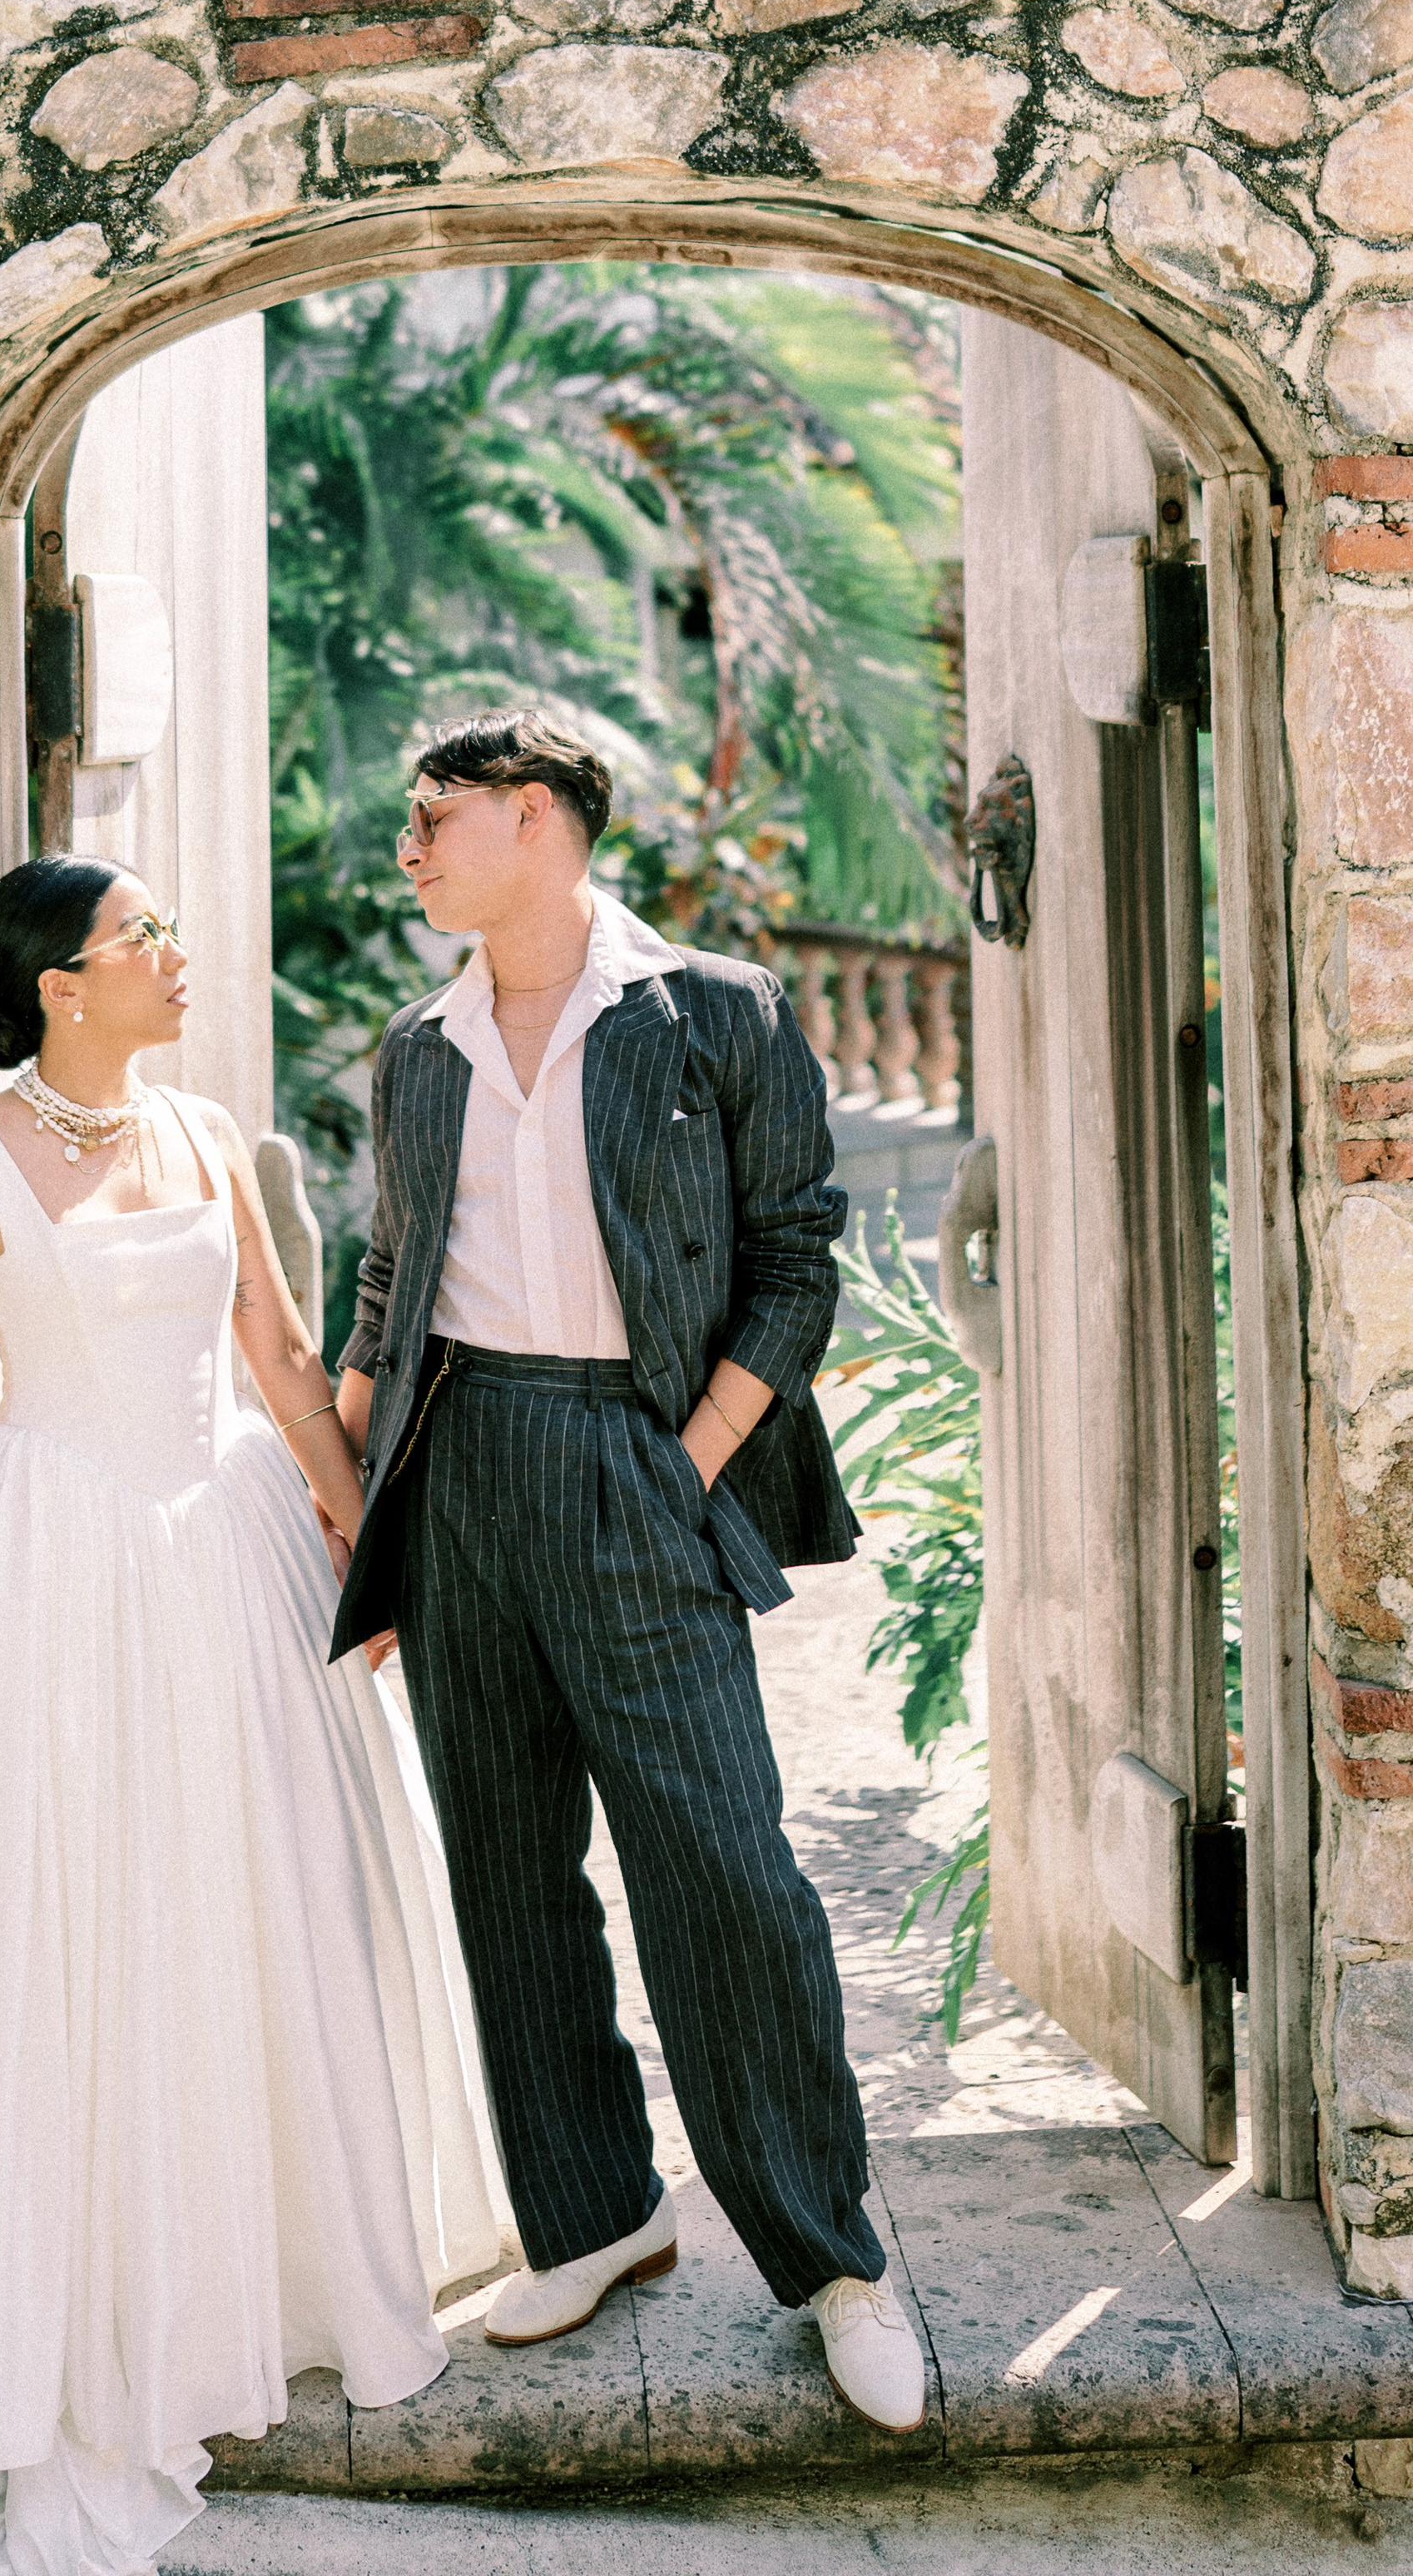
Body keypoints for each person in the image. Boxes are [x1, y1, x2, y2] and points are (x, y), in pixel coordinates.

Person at [0, 857, 507, 2576]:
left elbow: (271, 1352)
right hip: (65, 1575)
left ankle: (277, 2267)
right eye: (142, 942)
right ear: (56, 983)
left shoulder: (198, 1134)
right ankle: (109, 2309)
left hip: (229, 1547)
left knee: (261, 1897)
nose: (175, 959)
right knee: (99, 1922)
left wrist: (358, 1543)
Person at [330, 707, 928, 2437]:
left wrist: (685, 1464)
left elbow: (796, 1256)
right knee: (507, 1872)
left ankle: (830, 2262)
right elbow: (392, 1273)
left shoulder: (713, 1014)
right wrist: (349, 1496)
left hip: (636, 1459)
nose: (410, 850)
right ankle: (593, 2217)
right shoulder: (418, 1045)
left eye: (431, 818)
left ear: (532, 820)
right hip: (458, 1470)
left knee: (721, 1870)